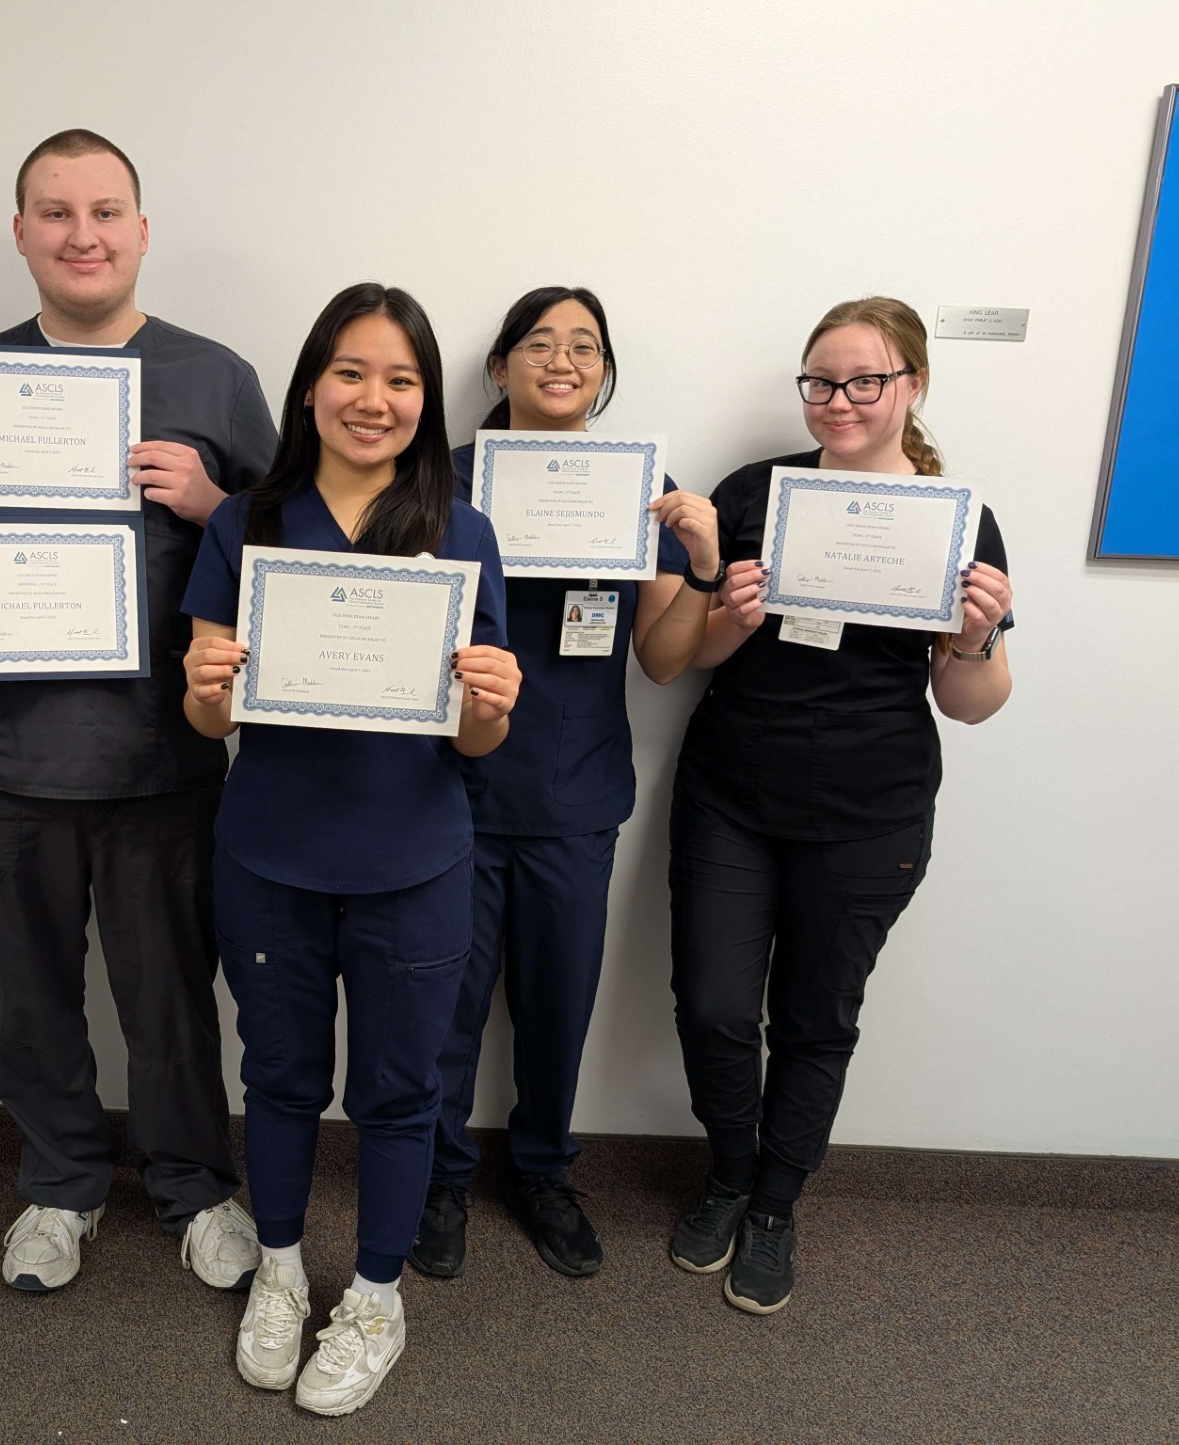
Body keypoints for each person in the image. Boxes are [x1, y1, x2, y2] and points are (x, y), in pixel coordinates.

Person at [0, 130, 277, 1297]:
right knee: (32, 997)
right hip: (9, 762)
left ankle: (195, 1183)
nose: (82, 233)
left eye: (105, 210)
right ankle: (58, 1184)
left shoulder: (216, 377)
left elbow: (290, 555)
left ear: (142, 230)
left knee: (169, 1001)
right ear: (21, 234)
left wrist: (215, 502)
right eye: (55, 212)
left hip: (165, 762)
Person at [183, 283, 522, 1417]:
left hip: (415, 862)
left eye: (402, 379)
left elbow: (479, 735)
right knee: (277, 1079)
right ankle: (279, 1269)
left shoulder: (461, 531)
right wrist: (202, 689)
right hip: (271, 857)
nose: (373, 399)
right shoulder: (247, 521)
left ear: (426, 401)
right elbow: (211, 720)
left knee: (397, 1091)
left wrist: (493, 698)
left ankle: (376, 1292)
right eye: (350, 371)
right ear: (311, 383)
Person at [666, 296, 1015, 1315]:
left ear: (912, 385)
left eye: (866, 380)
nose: (840, 401)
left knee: (818, 1018)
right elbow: (692, 657)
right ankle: (729, 1171)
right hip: (733, 791)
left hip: (873, 809)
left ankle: (775, 1203)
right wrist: (731, 613)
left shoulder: (957, 516)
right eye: (821, 380)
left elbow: (973, 701)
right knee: (714, 1006)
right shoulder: (756, 491)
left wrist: (973, 636)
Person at [410, 287, 722, 1282]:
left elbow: (666, 658)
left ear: (604, 372)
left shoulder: (642, 487)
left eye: (585, 345)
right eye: (539, 342)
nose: (562, 359)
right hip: (446, 790)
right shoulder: (439, 480)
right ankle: (440, 1176)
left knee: (557, 1004)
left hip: (573, 796)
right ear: (498, 367)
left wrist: (705, 571)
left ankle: (543, 1169)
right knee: (444, 1008)